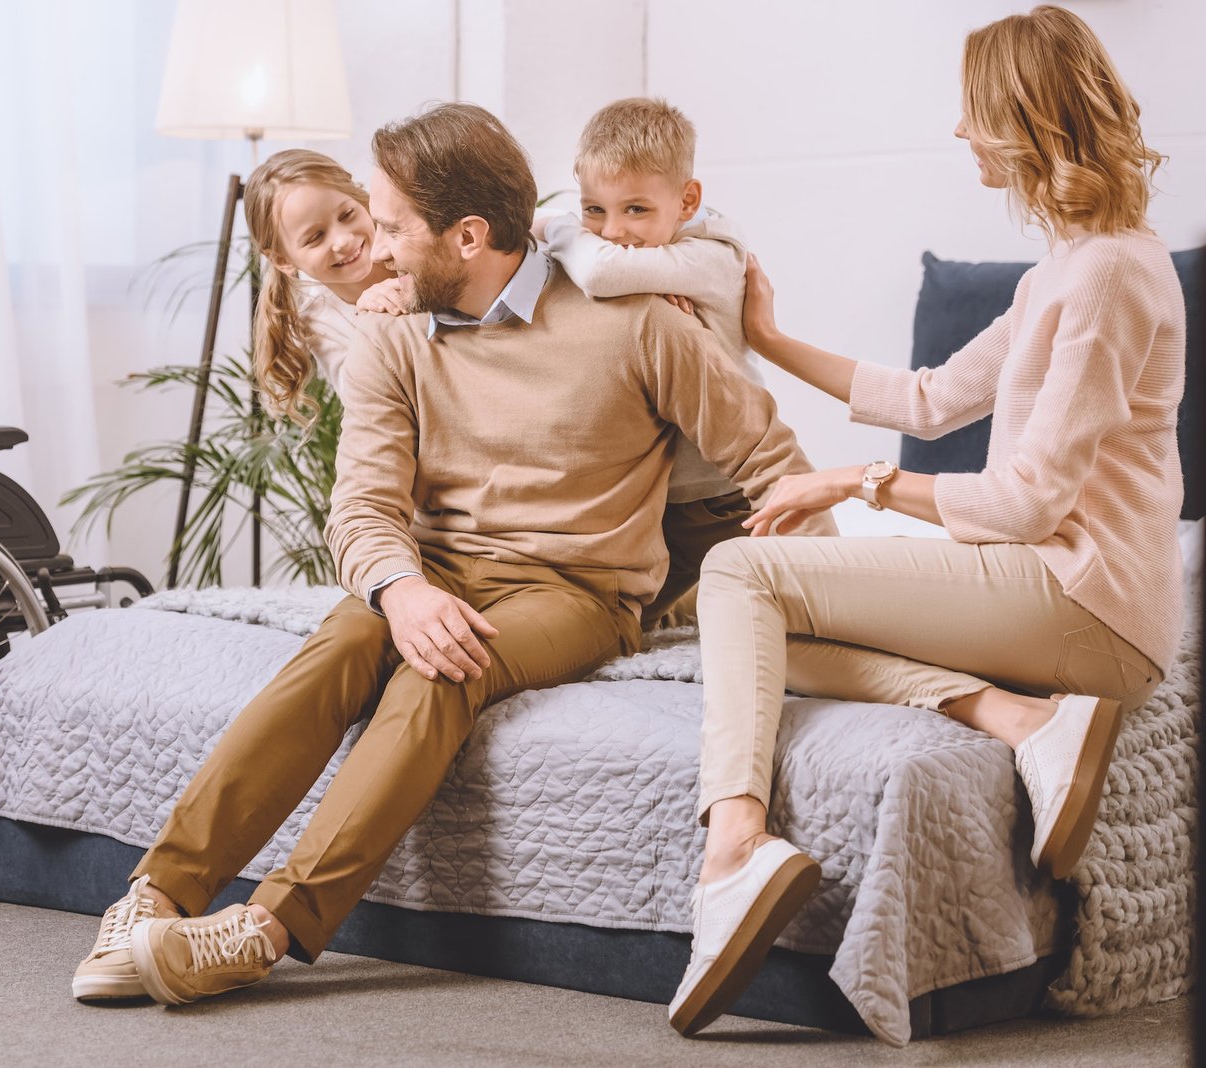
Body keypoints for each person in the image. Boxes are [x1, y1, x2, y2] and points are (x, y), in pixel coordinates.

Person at [71, 101, 831, 1007]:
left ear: (468, 237)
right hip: (428, 571)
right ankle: (156, 892)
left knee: (445, 669)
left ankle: (263, 930)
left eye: (390, 227)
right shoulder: (391, 332)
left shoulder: (637, 323)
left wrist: (828, 594)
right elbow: (361, 505)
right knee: (337, 649)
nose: (377, 252)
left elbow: (770, 459)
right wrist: (399, 591)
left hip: (577, 588)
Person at [668, 4, 1184, 1038]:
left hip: (1085, 602)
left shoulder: (1108, 279)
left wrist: (849, 483)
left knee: (735, 575)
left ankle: (734, 843)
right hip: (1057, 590)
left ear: (1023, 119)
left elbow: (1027, 502)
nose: (957, 134)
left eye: (969, 114)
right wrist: (764, 337)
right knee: (736, 622)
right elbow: (930, 397)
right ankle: (1015, 717)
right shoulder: (1069, 269)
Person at [535, 97, 765, 627]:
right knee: (619, 619)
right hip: (646, 496)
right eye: (593, 209)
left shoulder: (714, 254)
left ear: (687, 201)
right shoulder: (635, 254)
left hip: (721, 491)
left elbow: (599, 274)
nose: (612, 231)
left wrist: (563, 228)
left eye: (635, 209)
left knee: (787, 610)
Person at [244, 148, 399, 426]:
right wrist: (373, 321)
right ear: (282, 259)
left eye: (347, 214)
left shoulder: (408, 241)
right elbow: (363, 401)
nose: (343, 241)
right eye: (315, 237)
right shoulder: (317, 319)